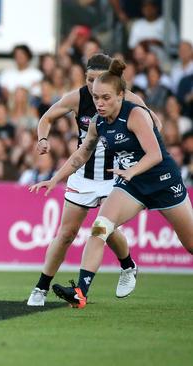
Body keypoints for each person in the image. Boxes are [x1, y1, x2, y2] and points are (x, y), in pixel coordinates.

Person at [32, 59, 193, 309]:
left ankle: (127, 267)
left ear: (121, 95)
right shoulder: (97, 122)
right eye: (96, 97)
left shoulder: (136, 113)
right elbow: (81, 154)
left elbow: (156, 155)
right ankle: (80, 292)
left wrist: (130, 171)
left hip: (163, 182)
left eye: (105, 98)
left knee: (191, 244)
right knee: (100, 228)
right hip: (132, 185)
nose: (99, 103)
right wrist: (55, 179)